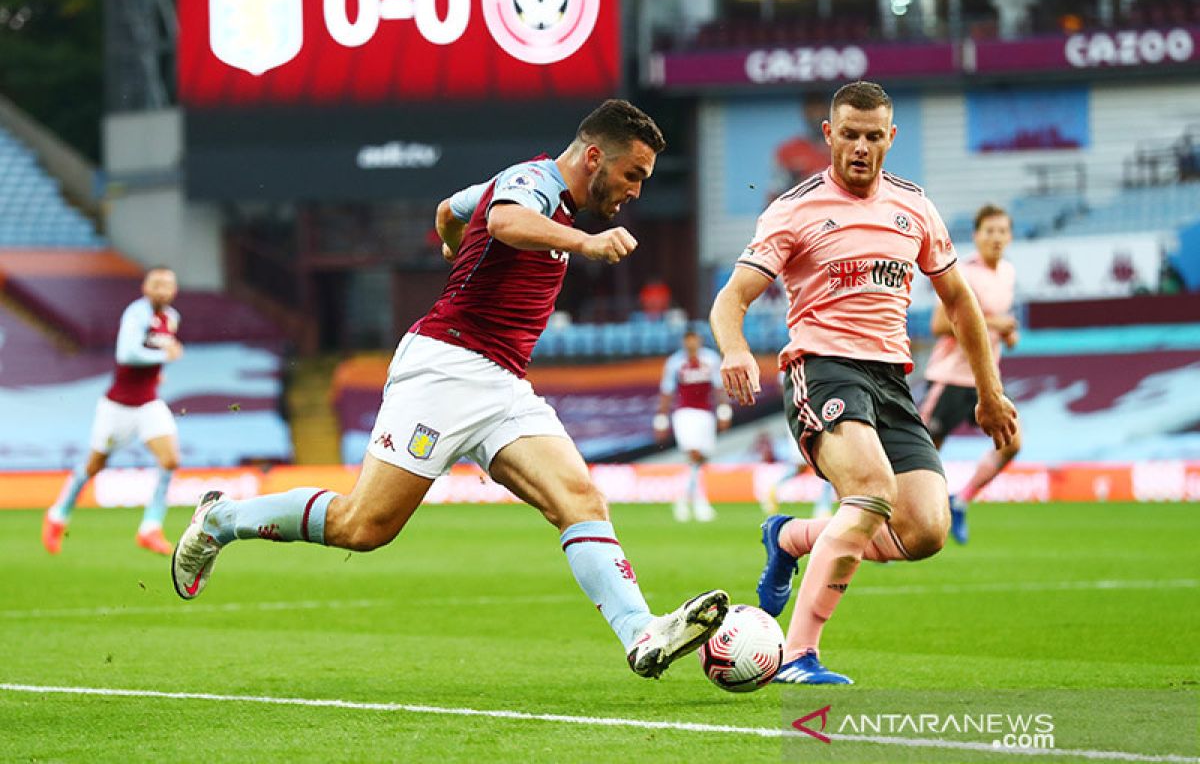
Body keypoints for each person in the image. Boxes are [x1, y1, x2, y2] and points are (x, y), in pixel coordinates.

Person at [171, 99, 729, 678]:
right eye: (632, 174)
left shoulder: (528, 189)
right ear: (594, 156)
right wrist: (586, 244)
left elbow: (450, 209)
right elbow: (505, 221)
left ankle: (640, 632)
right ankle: (221, 518)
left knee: (579, 500)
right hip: (445, 368)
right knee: (364, 528)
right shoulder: (531, 182)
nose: (636, 190)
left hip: (503, 381)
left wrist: (452, 241)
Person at [710, 81, 1017, 685]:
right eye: (848, 134)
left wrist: (989, 391)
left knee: (925, 529)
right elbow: (731, 299)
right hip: (821, 367)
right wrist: (735, 349)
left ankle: (791, 536)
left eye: (873, 136)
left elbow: (960, 303)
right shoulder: (794, 209)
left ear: (890, 138)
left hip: (891, 380)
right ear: (829, 135)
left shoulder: (914, 208)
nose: (860, 147)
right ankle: (798, 657)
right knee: (871, 490)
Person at [42, 267, 184, 556]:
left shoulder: (172, 318)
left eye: (168, 284)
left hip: (148, 404)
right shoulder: (136, 314)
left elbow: (147, 358)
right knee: (94, 465)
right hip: (117, 407)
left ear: (174, 289)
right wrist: (162, 356)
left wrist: (156, 373)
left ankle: (150, 528)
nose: (162, 289)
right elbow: (126, 354)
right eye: (156, 284)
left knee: (170, 461)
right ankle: (58, 515)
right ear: (145, 287)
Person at [920, 204, 1023, 545]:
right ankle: (892, 519)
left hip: (985, 380)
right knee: (920, 453)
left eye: (1002, 231)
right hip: (949, 378)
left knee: (1011, 443)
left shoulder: (1007, 273)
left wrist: (1006, 333)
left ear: (1009, 236)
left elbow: (993, 324)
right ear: (977, 236)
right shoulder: (962, 271)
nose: (996, 238)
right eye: (989, 231)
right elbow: (938, 324)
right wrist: (995, 322)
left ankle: (960, 500)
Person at [654, 329, 731, 522]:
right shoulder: (675, 363)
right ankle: (700, 504)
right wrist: (661, 418)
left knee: (701, 458)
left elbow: (718, 387)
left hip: (706, 413)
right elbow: (667, 390)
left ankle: (681, 500)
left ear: (699, 340)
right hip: (685, 413)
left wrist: (723, 410)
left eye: (694, 340)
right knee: (694, 454)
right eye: (688, 341)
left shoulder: (711, 359)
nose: (691, 344)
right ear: (683, 342)